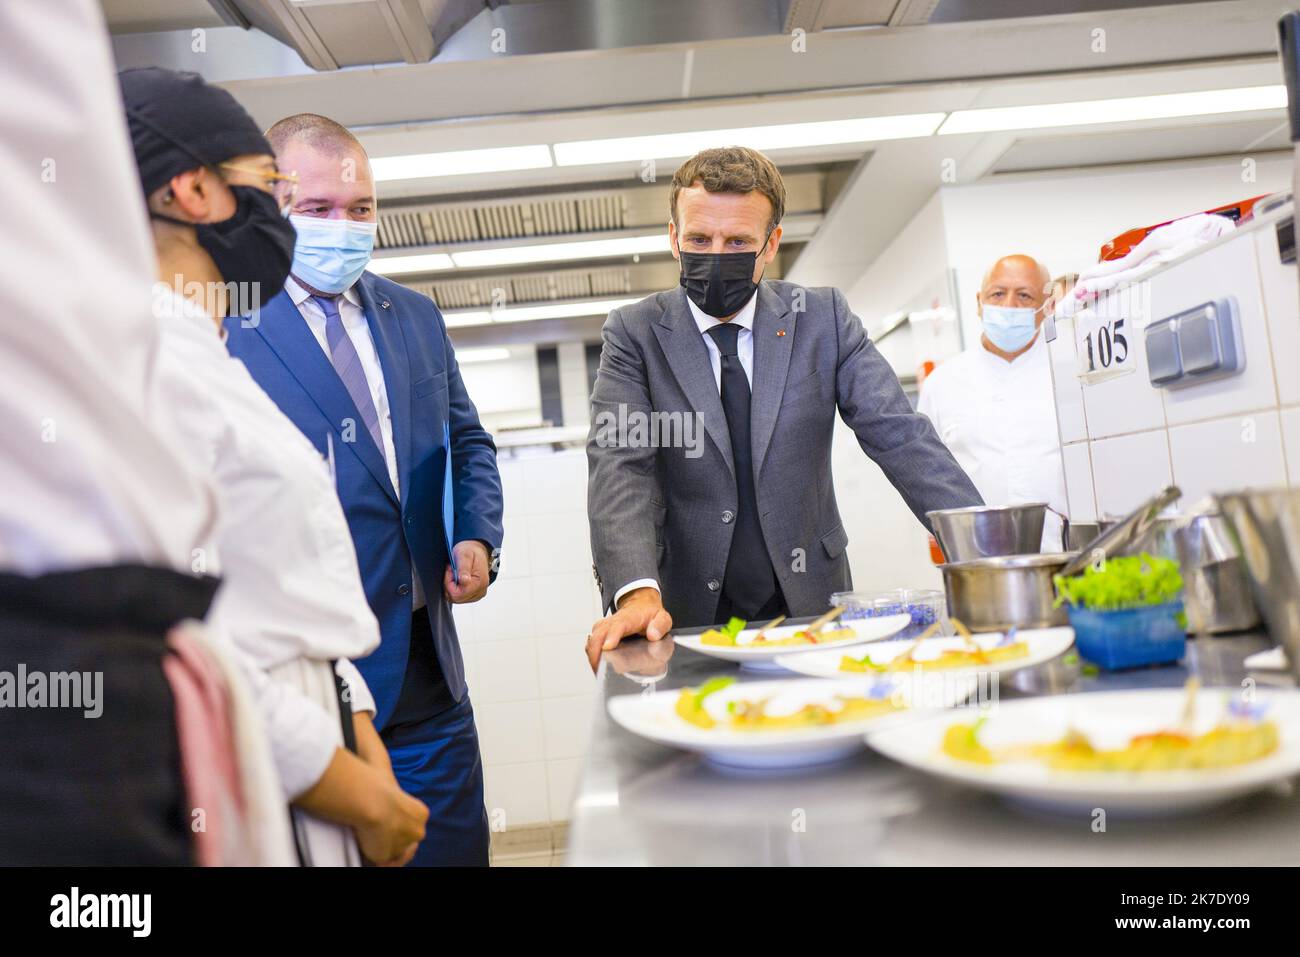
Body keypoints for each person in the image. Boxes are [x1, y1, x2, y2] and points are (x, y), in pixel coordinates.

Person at [120, 67, 428, 866]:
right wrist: (359, 793)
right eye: (266, 185)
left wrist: (360, 733)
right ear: (193, 191)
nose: (279, 215)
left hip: (322, 745)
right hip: (273, 775)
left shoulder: (206, 349)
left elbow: (286, 597)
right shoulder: (146, 366)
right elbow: (180, 642)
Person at [224, 113, 504, 867]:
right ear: (270, 207)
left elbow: (467, 439)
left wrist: (475, 533)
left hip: (428, 669)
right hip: (317, 679)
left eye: (360, 209)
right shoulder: (227, 326)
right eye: (317, 210)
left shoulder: (412, 316)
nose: (343, 227)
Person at [585, 146, 982, 667]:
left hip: (811, 602)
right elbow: (622, 467)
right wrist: (636, 591)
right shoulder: (634, 334)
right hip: (684, 611)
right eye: (700, 239)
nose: (716, 254)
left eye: (739, 241)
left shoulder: (821, 319)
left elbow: (899, 433)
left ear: (771, 244)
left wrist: (985, 548)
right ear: (673, 238)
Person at [917, 254, 1069, 551]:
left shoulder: (1068, 373)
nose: (1008, 306)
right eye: (997, 293)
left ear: (1047, 306)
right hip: (976, 562)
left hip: (1064, 556)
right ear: (978, 302)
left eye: (1024, 296)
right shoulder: (942, 384)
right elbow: (926, 472)